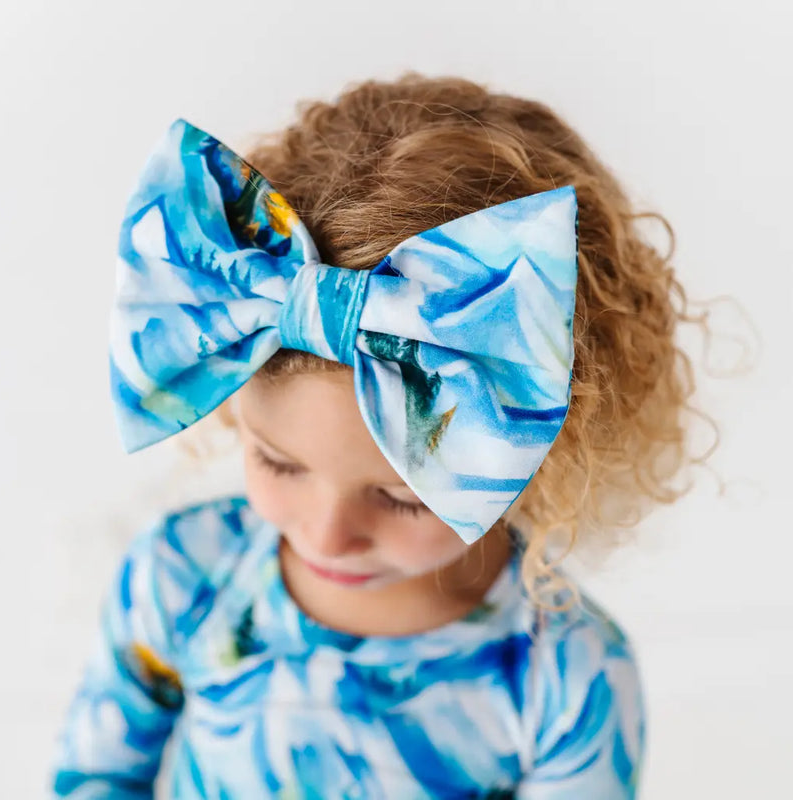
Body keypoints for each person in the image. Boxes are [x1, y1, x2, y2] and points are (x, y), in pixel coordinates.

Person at [50, 72, 702, 798]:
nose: (328, 537)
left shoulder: (568, 676)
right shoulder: (180, 579)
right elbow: (97, 777)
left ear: (542, 449)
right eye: (277, 462)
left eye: (400, 498)